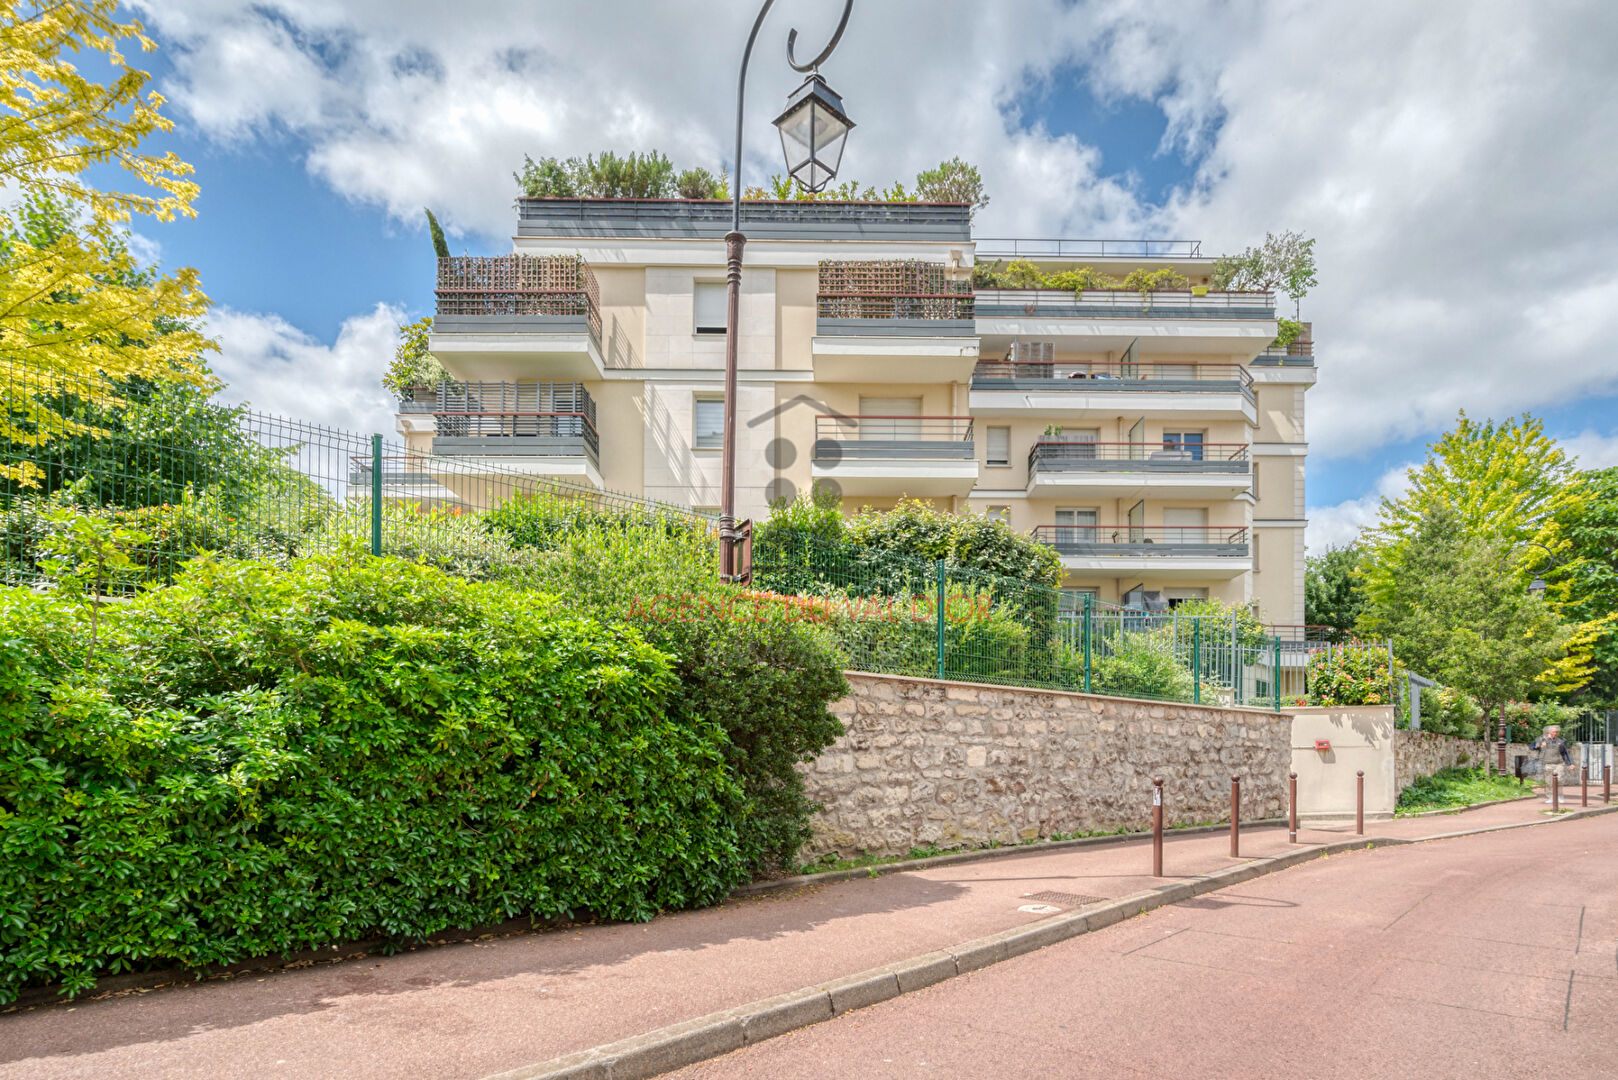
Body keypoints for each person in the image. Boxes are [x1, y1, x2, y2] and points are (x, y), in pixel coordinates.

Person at [1530, 724, 1573, 804]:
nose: (1555, 733)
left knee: (1559, 780)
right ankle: (1551, 797)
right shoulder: (1542, 739)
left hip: (1559, 763)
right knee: (1549, 781)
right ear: (1549, 732)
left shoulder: (1560, 741)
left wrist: (1570, 763)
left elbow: (1565, 753)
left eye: (1557, 732)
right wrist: (1539, 745)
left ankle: (1560, 796)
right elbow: (1531, 746)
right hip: (1547, 764)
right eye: (1554, 732)